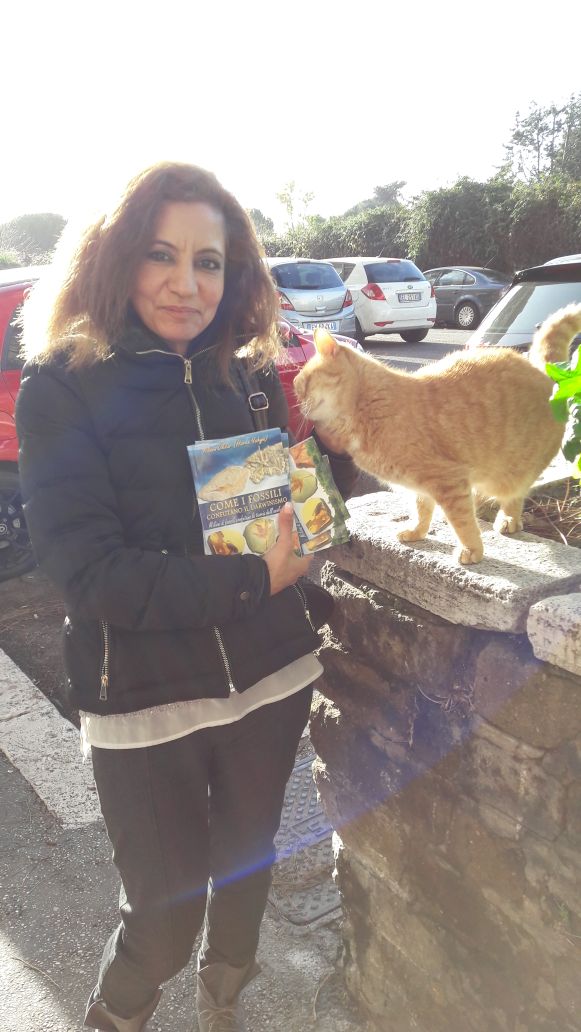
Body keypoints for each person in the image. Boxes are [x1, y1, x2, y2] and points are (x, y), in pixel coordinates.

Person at [16, 162, 357, 1032]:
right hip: (147, 702)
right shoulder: (60, 388)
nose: (186, 283)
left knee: (247, 868)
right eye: (160, 254)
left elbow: (280, 512)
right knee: (163, 921)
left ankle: (223, 1002)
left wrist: (322, 485)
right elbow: (91, 573)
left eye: (209, 262)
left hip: (268, 679)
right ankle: (116, 1015)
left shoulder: (247, 375)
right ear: (114, 258)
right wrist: (254, 579)